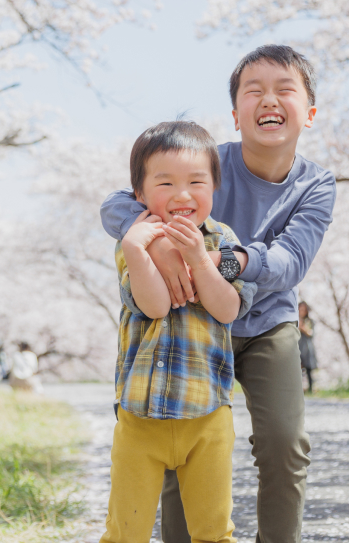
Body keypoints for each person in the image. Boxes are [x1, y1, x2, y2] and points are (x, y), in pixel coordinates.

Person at [100, 45, 336, 543]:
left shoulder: (316, 184)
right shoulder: (207, 165)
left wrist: (222, 261)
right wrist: (158, 247)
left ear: (308, 112)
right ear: (236, 113)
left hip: (267, 322)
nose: (269, 100)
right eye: (255, 90)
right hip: (197, 320)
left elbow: (290, 262)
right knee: (179, 430)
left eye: (284, 90)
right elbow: (118, 204)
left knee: (284, 443)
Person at [100, 121, 256, 543]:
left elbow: (227, 309)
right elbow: (153, 305)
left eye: (196, 181)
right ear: (140, 194)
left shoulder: (223, 241)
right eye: (165, 182)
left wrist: (200, 260)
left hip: (206, 414)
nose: (182, 194)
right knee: (125, 531)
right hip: (140, 417)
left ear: (214, 187)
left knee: (213, 530)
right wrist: (137, 248)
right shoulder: (132, 239)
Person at [298, 301, 317, 393]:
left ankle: (310, 389)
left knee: (308, 369)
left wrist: (303, 328)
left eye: (303, 309)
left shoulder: (309, 321)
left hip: (306, 346)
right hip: (297, 345)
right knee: (297, 368)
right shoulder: (294, 320)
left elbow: (311, 333)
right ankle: (298, 389)